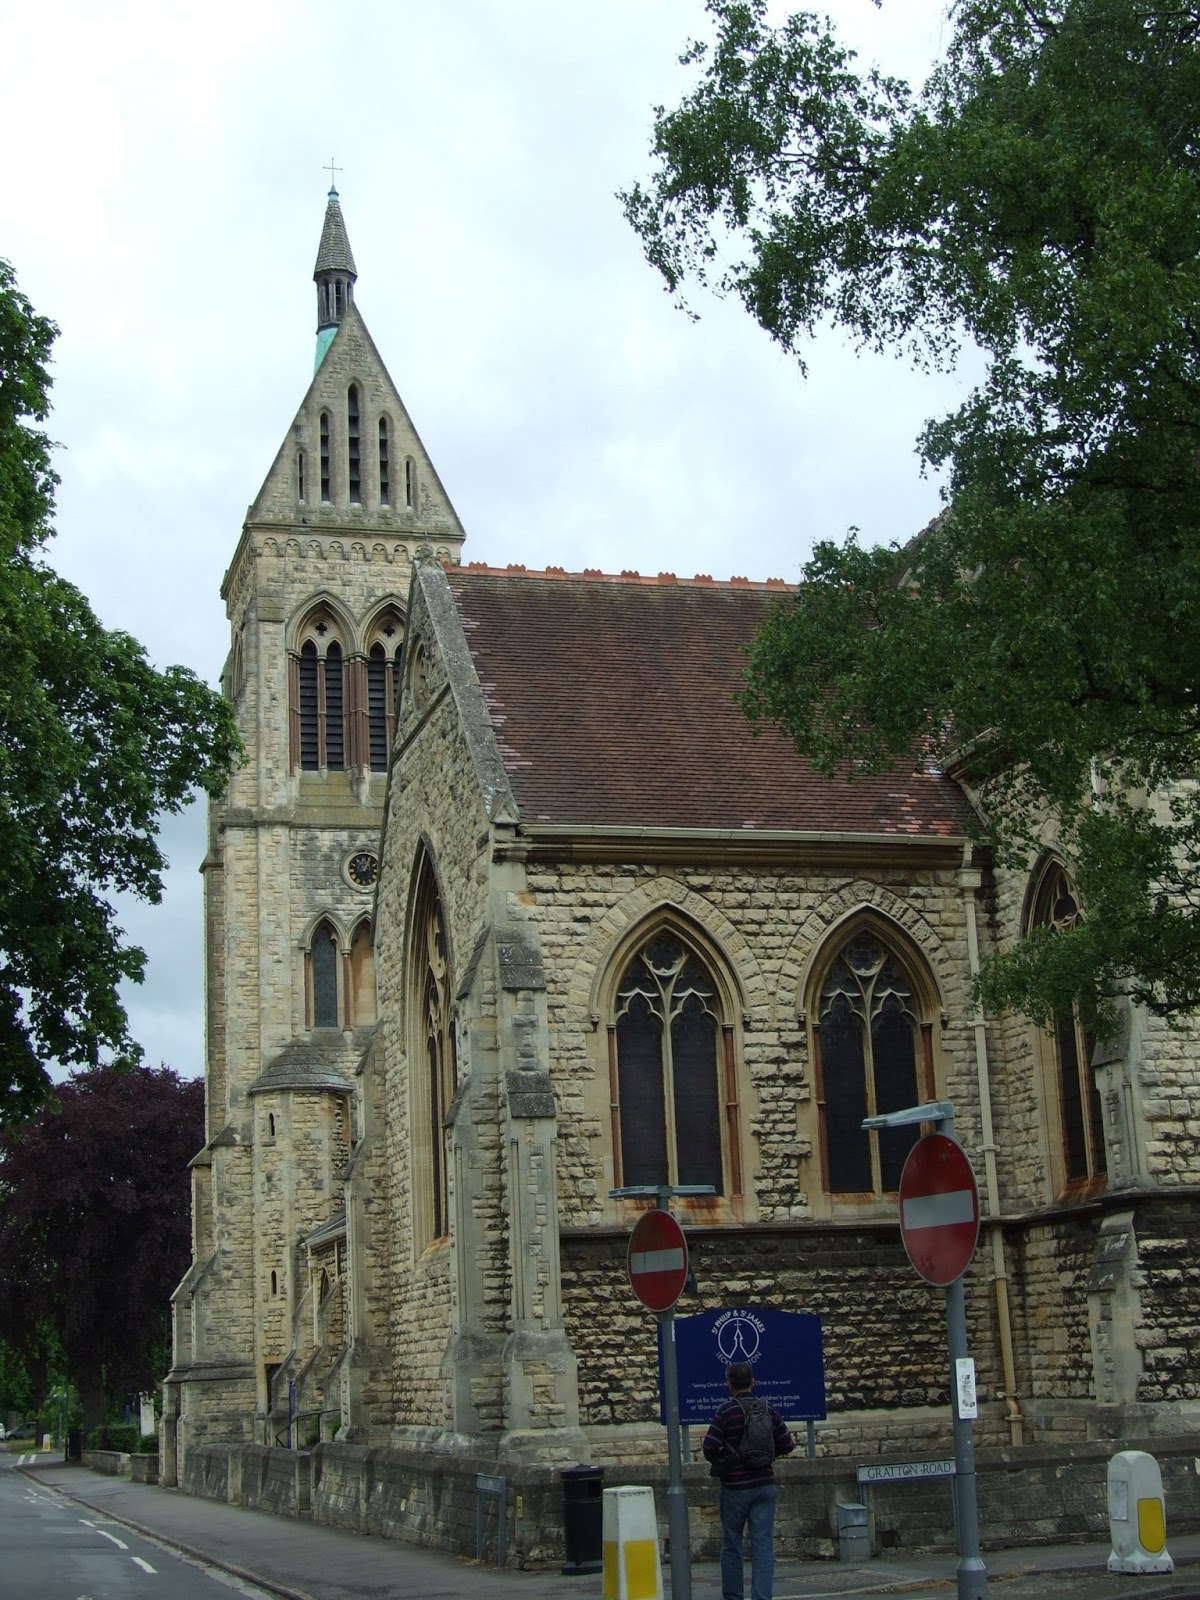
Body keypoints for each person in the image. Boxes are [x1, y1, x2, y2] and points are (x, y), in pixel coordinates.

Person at [703, 1361, 795, 1600]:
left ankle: (734, 1596)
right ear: (753, 1382)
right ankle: (761, 1596)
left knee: (732, 1545)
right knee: (763, 1546)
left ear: (729, 1385)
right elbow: (787, 1443)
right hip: (764, 1485)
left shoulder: (725, 1412)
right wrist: (764, 1457)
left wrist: (728, 1461)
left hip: (735, 1488)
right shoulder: (768, 1410)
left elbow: (709, 1446)